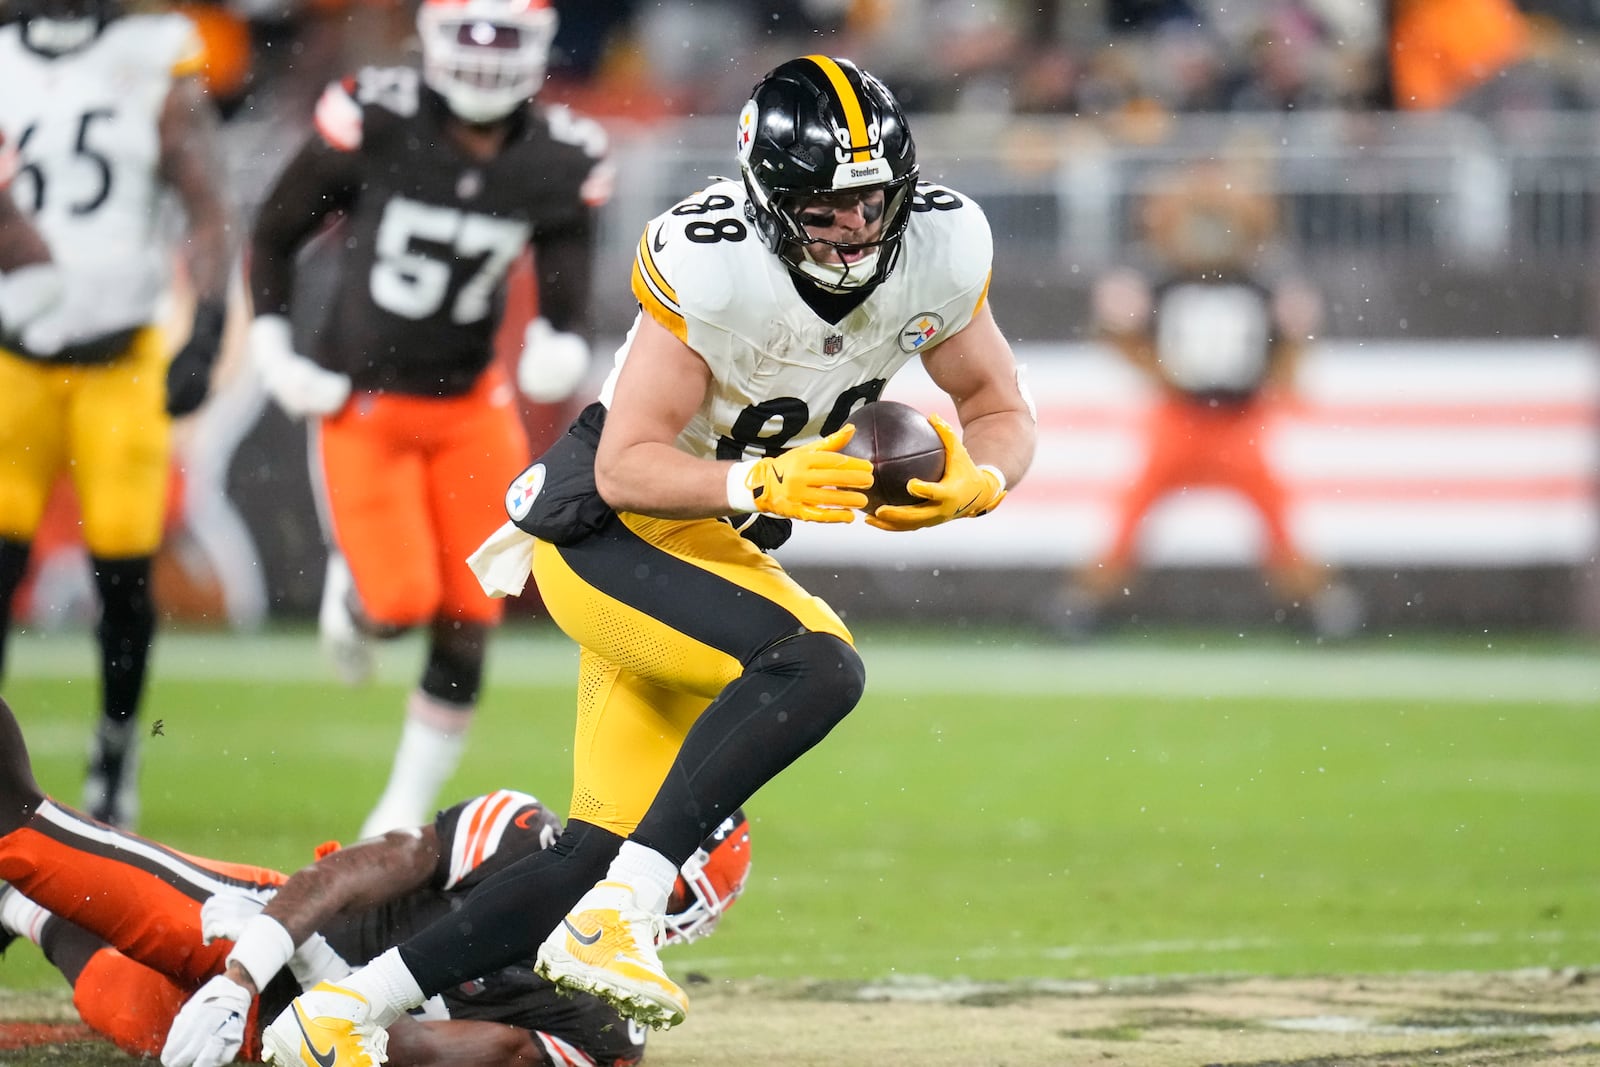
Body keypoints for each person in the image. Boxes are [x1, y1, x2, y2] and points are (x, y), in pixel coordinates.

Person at [260, 53, 1037, 1064]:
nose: (857, 231)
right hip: (608, 533)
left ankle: (343, 1010)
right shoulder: (712, 261)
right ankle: (622, 906)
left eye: (873, 201)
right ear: (767, 203)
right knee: (816, 663)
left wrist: (983, 480)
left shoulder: (939, 244)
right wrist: (755, 484)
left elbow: (1000, 408)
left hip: (708, 548)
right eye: (827, 210)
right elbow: (626, 466)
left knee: (582, 848)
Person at [248, 0, 611, 842]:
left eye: (504, 39)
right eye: (471, 37)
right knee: (402, 598)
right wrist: (274, 348)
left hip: (471, 405)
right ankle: (360, 596)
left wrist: (560, 341)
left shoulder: (558, 156)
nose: (485, 57)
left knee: (476, 605)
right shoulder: (378, 119)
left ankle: (403, 803)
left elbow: (563, 277)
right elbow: (272, 233)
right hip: (366, 402)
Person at [0, 694, 752, 1067]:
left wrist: (317, 977)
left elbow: (419, 1053)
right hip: (278, 918)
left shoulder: (603, 1032)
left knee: (123, 996)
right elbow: (359, 868)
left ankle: (15, 911)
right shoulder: (523, 833)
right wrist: (256, 957)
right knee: (36, 835)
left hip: (304, 1027)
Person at [0, 0, 233, 830]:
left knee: (126, 577)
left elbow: (206, 198)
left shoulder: (155, 49)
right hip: (11, 357)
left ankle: (114, 756)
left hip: (117, 358)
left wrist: (206, 321)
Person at [1039, 159, 1363, 641]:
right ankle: (1083, 603)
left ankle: (1322, 605)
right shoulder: (1157, 279)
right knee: (1132, 515)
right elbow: (1115, 335)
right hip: (1178, 417)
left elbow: (1292, 351)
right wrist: (1158, 369)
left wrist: (1285, 368)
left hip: (1239, 421)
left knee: (1275, 519)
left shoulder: (1265, 282)